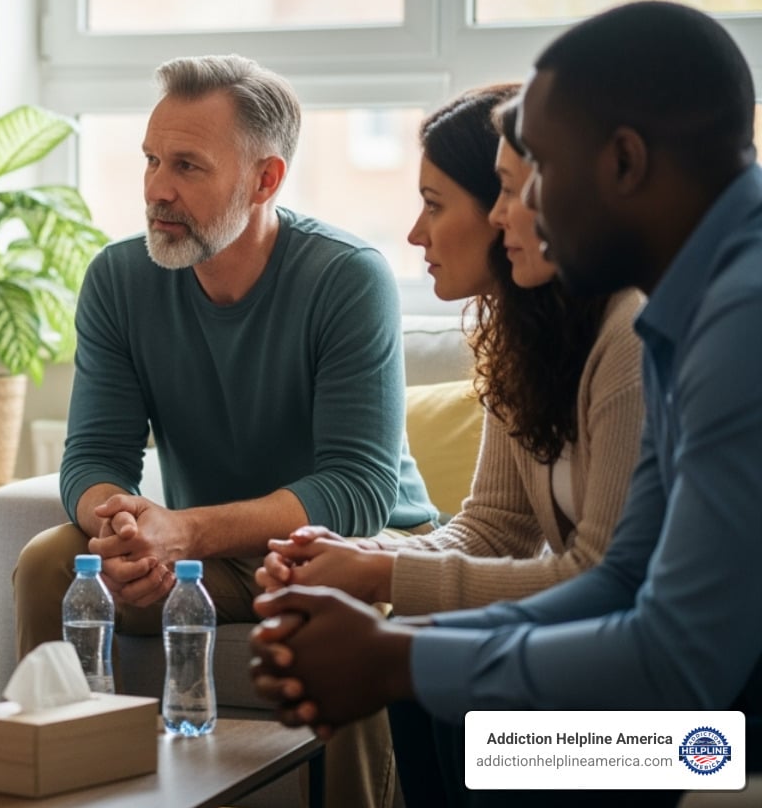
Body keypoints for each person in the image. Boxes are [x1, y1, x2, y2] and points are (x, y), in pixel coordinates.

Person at [251, 1, 762, 806]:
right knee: (440, 696)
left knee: (499, 743)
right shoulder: (686, 310)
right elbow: (621, 577)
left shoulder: (739, 320)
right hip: (707, 691)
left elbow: (675, 661)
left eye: (538, 174)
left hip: (717, 738)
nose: (512, 211)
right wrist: (400, 642)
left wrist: (399, 655)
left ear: (625, 162)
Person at [11, 53, 437, 808]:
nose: (156, 188)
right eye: (151, 160)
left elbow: (358, 490)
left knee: (333, 613)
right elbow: (95, 455)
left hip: (347, 548)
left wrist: (183, 531)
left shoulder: (347, 276)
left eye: (187, 166)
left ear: (265, 180)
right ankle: (59, 789)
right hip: (206, 559)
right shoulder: (119, 279)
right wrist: (123, 525)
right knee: (52, 563)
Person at [257, 84, 646, 806]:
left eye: (435, 205)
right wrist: (361, 556)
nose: (415, 233)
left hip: (679, 719)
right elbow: (494, 527)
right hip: (597, 649)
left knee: (436, 668)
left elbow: (605, 578)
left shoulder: (628, 337)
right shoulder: (523, 343)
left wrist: (381, 576)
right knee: (424, 651)